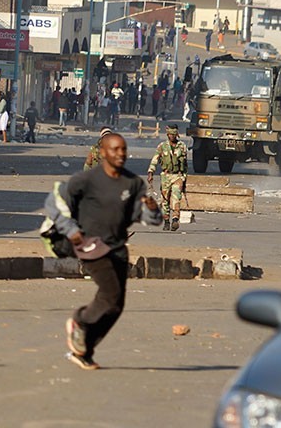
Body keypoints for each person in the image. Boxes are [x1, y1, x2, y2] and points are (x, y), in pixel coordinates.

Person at [63, 132, 163, 370]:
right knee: (109, 293)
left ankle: (84, 349)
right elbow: (62, 209)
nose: (121, 154)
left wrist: (151, 209)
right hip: (91, 246)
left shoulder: (133, 183)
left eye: (124, 149)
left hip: (118, 246)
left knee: (116, 306)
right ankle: (80, 320)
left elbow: (151, 219)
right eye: (115, 149)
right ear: (103, 152)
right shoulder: (86, 181)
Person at [147, 125, 188, 232]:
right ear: (167, 135)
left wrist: (184, 178)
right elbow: (155, 159)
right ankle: (166, 221)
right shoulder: (162, 146)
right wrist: (151, 172)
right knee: (165, 200)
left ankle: (175, 219)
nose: (172, 137)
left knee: (176, 197)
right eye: (170, 135)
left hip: (177, 176)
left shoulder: (182, 146)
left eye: (174, 135)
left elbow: (185, 164)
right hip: (165, 176)